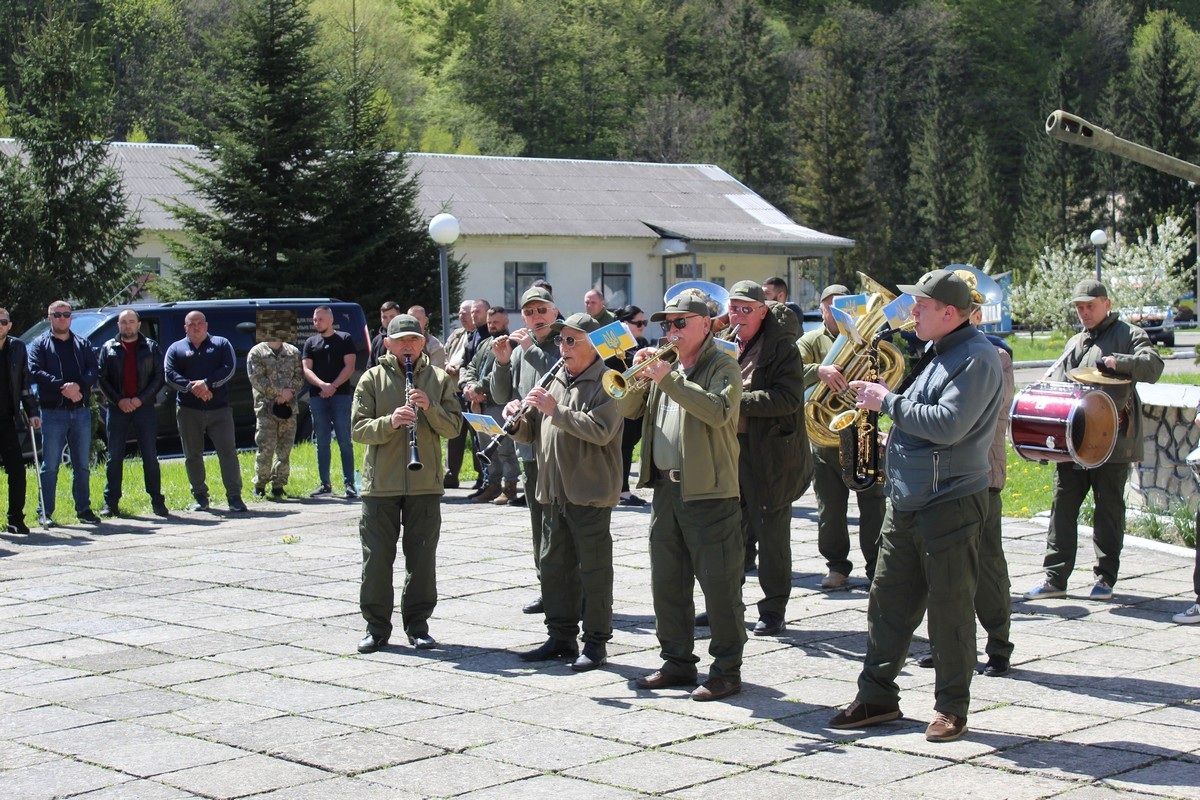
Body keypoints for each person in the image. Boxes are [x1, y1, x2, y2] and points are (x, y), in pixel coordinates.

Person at [829, 269, 1002, 743]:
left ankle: (951, 708)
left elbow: (948, 424)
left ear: (950, 312)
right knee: (887, 601)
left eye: (920, 306)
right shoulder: (939, 351)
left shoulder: (977, 357)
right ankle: (876, 697)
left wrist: (887, 402)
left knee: (949, 610)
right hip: (908, 498)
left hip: (948, 502)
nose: (911, 314)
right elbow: (926, 420)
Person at [615, 290, 745, 702]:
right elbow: (627, 409)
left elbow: (719, 412)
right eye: (666, 325)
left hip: (709, 492)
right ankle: (677, 661)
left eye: (680, 323)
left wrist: (667, 379)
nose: (670, 331)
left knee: (719, 586)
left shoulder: (723, 364)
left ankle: (726, 670)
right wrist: (637, 376)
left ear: (706, 324)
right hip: (667, 491)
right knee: (667, 582)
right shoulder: (664, 366)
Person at [1025, 279, 1164, 601]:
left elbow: (1154, 366)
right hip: (1075, 441)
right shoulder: (1076, 341)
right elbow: (1059, 387)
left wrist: (1121, 363)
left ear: (1107, 303)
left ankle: (1105, 579)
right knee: (1062, 509)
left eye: (1090, 306)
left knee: (1109, 511)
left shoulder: (1130, 335)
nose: (1084, 312)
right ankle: (1055, 578)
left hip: (1114, 440)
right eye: (1079, 307)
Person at [509, 312, 622, 671]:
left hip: (588, 489)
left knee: (593, 569)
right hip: (553, 489)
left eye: (572, 340)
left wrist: (556, 410)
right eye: (561, 340)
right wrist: (517, 422)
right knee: (554, 565)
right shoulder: (556, 376)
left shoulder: (609, 380)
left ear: (593, 343)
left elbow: (601, 430)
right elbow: (535, 433)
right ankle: (560, 636)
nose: (563, 347)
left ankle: (596, 642)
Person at [917, 287, 1015, 676]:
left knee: (986, 565)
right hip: (944, 475)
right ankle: (948, 646)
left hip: (982, 472)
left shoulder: (994, 356)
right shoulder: (936, 355)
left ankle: (998, 645)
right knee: (943, 569)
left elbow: (980, 416)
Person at [352, 314, 462, 653]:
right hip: (380, 485)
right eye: (401, 341)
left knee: (422, 558)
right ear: (388, 344)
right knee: (377, 560)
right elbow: (358, 429)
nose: (408, 346)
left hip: (425, 482)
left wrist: (429, 408)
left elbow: (454, 428)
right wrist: (390, 421)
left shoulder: (440, 378)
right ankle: (376, 628)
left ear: (423, 341)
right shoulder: (371, 378)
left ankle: (418, 625)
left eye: (414, 340)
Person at [720, 281, 811, 636]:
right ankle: (727, 605)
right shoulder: (726, 342)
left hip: (771, 456)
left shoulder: (782, 348)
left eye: (747, 309)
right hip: (730, 452)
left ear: (762, 311)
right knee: (730, 532)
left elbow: (788, 398)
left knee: (771, 536)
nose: (738, 316)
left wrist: (734, 402)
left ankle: (774, 610)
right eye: (734, 308)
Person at [798, 284, 886, 590]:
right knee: (830, 509)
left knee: (873, 505)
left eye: (844, 306)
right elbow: (788, 370)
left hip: (863, 431)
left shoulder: (869, 338)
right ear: (821, 309)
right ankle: (837, 566)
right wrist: (818, 371)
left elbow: (891, 369)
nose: (837, 312)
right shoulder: (810, 340)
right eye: (830, 307)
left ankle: (877, 567)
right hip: (824, 437)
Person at [491, 286, 561, 614]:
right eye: (529, 312)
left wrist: (529, 347)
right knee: (537, 519)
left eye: (541, 310)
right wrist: (503, 362)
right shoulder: (520, 348)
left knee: (558, 522)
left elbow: (554, 372)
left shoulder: (566, 342)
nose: (535, 318)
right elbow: (502, 392)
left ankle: (570, 588)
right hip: (528, 447)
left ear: (555, 310)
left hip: (558, 450)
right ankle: (547, 587)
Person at [164, 311, 247, 513]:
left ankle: (234, 497)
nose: (196, 327)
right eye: (191, 324)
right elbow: (169, 373)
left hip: (219, 409)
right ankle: (200, 497)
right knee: (192, 455)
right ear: (185, 327)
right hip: (188, 410)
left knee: (228, 453)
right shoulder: (176, 348)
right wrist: (193, 387)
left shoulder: (221, 343)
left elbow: (229, 368)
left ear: (206, 325)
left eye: (200, 323)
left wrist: (207, 384)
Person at [28, 300, 100, 525]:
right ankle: (44, 512)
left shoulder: (83, 343)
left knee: (82, 464)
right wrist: (63, 387)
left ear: (71, 317)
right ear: (49, 317)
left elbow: (93, 369)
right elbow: (35, 371)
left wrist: (78, 386)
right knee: (50, 466)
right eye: (56, 314)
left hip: (80, 411)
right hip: (53, 413)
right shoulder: (39, 344)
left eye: (66, 314)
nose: (62, 318)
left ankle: (84, 510)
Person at [96, 309, 167, 518]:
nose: (127, 325)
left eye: (131, 321)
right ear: (118, 325)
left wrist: (139, 399)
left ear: (138, 324)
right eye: (123, 322)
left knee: (150, 456)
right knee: (114, 457)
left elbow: (158, 377)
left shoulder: (151, 347)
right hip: (117, 409)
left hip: (143, 408)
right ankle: (111, 503)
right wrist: (119, 400)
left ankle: (157, 501)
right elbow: (102, 378)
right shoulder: (108, 348)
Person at [303, 305, 359, 499]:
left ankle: (349, 483)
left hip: (341, 396)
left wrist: (333, 386)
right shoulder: (310, 342)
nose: (316, 322)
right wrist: (322, 385)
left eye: (320, 319)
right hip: (318, 397)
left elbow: (350, 366)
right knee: (322, 442)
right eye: (315, 319)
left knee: (345, 440)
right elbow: (307, 369)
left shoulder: (345, 339)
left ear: (330, 319)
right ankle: (325, 484)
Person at [462, 306, 516, 504]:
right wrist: (468, 387)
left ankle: (509, 487)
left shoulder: (512, 343)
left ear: (506, 322)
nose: (493, 326)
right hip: (480, 405)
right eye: (490, 322)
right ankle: (492, 485)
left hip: (499, 403)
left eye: (497, 322)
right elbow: (471, 367)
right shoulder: (484, 343)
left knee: (504, 449)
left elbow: (500, 371)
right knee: (486, 448)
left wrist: (477, 387)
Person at [246, 312, 304, 499]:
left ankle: (279, 485)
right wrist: (278, 393)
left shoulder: (293, 352)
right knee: (266, 448)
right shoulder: (257, 352)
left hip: (288, 408)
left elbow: (298, 376)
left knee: (285, 449)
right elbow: (256, 379)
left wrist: (290, 393)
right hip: (266, 409)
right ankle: (260, 485)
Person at [0, 307, 39, 534]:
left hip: (7, 419)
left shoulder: (17, 348)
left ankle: (15, 518)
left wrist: (32, 412)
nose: (0, 325)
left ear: (10, 325)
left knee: (17, 470)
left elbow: (24, 384)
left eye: (3, 322)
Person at [613, 305, 649, 507]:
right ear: (624, 324)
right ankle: (623, 490)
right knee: (623, 447)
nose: (642, 326)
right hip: (620, 402)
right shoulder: (614, 347)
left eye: (644, 322)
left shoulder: (641, 342)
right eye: (638, 323)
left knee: (627, 446)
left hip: (637, 401)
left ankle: (622, 488)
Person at [442, 300, 476, 489]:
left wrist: (459, 369)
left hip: (469, 392)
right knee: (453, 434)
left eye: (466, 312)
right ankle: (451, 474)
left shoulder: (478, 336)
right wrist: (447, 364)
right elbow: (445, 354)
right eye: (460, 312)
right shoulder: (457, 334)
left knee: (476, 434)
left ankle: (482, 476)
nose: (462, 316)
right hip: (453, 391)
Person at [369, 301, 401, 367]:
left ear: (399, 316)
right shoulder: (377, 340)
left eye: (392, 316)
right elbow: (370, 366)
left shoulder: (407, 337)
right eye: (384, 317)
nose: (388, 320)